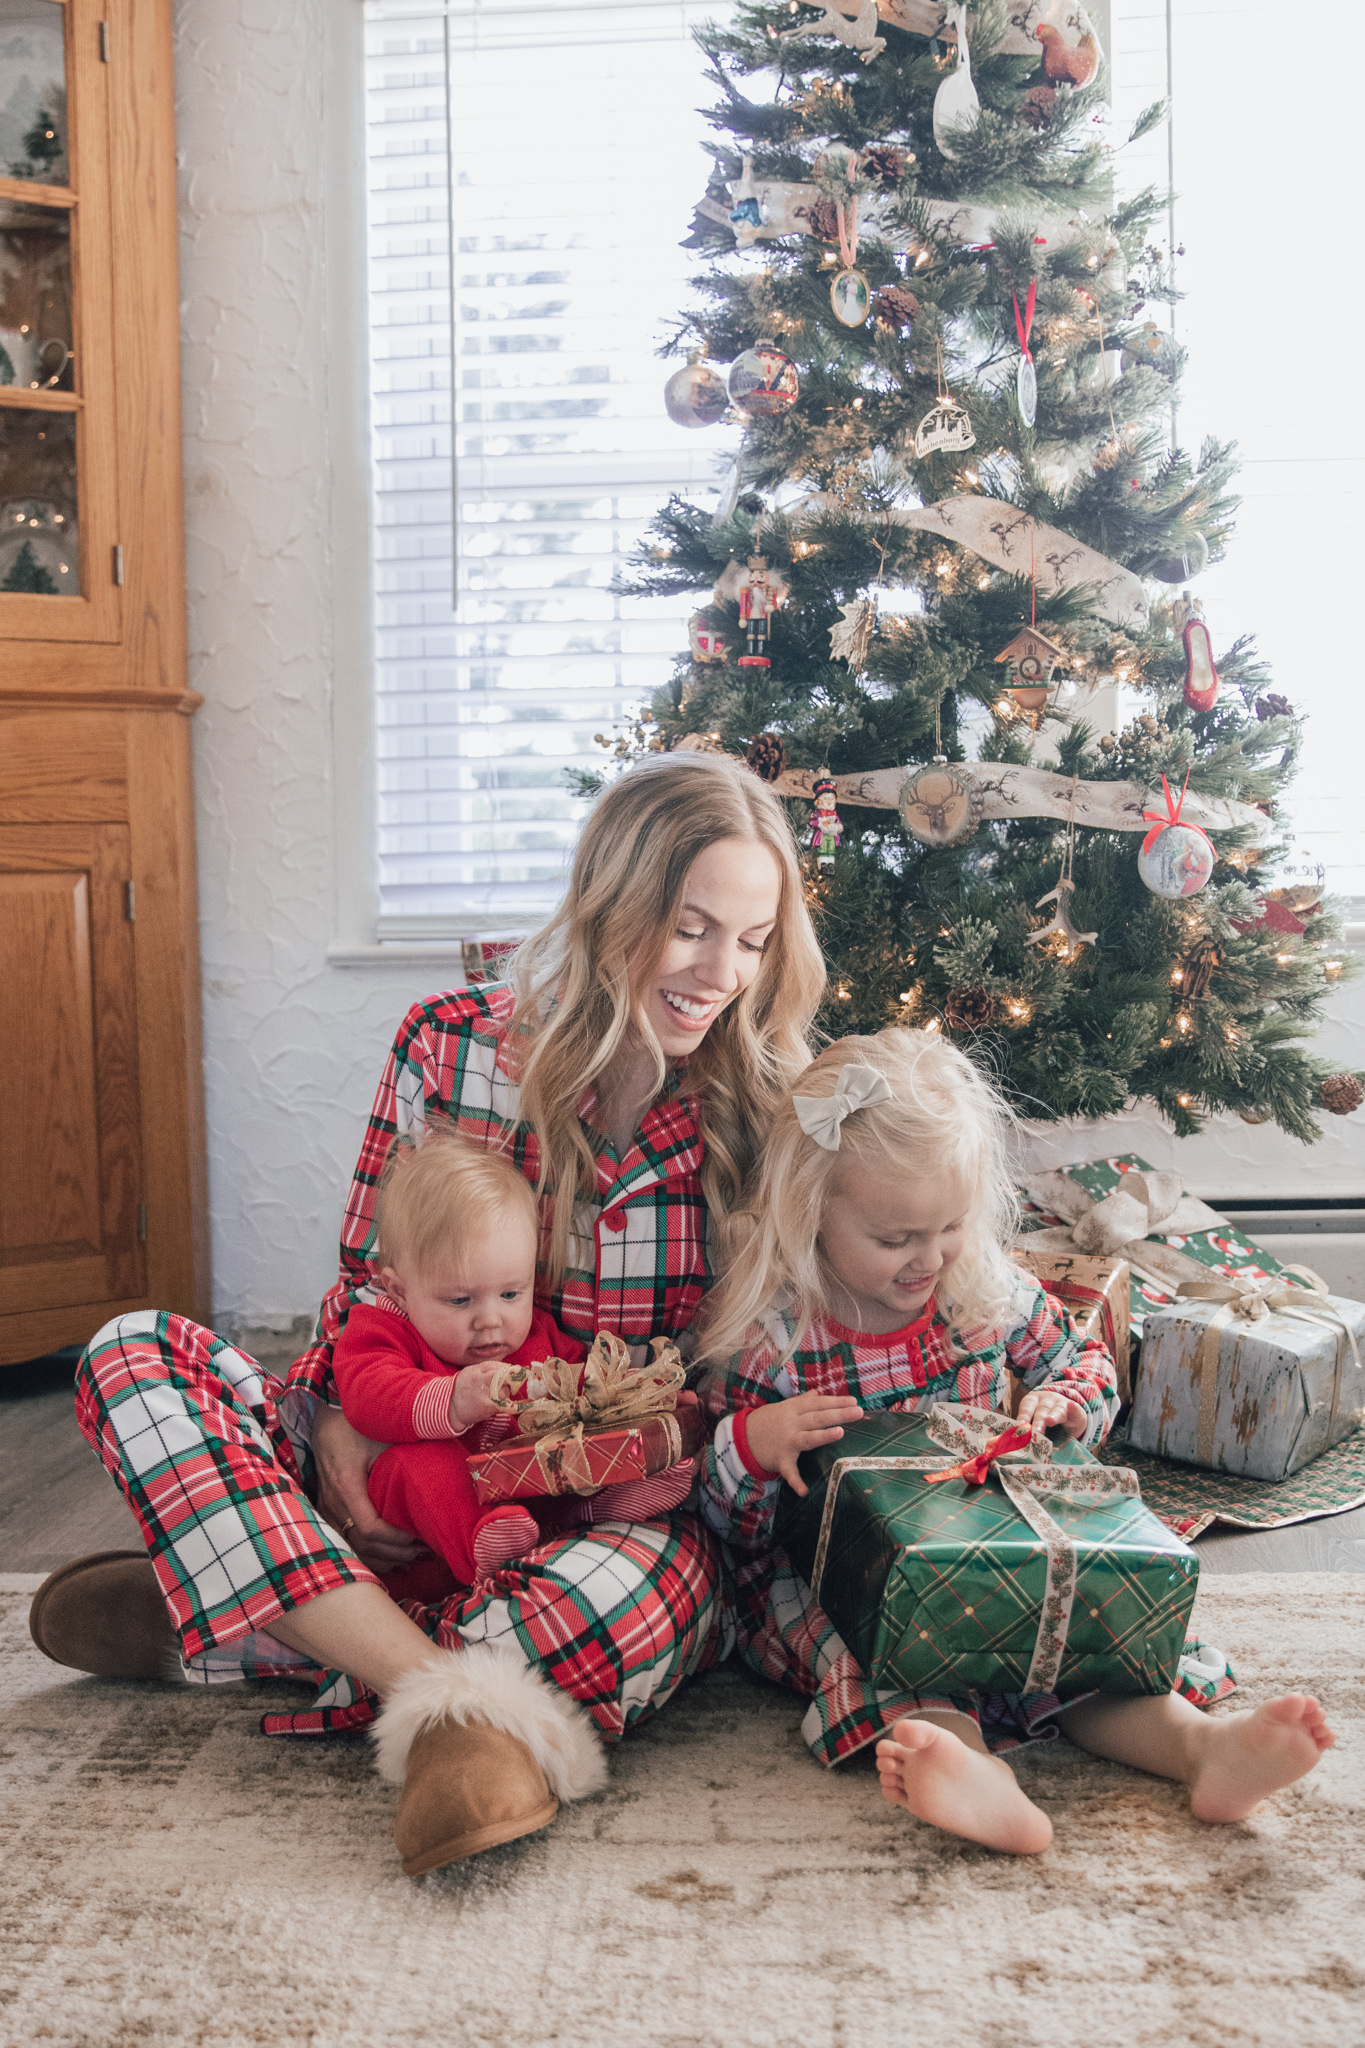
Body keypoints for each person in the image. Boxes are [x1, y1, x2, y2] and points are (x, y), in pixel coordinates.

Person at [31, 753, 827, 1877]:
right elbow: (365, 1291)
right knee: (134, 1352)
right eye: (691, 926)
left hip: (586, 1527)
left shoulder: (764, 1115)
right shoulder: (447, 1043)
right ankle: (445, 1703)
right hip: (397, 1450)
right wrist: (351, 1432)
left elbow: (743, 1394)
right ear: (614, 901)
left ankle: (264, 1626)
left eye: (752, 940)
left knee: (654, 1593)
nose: (721, 972)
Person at [697, 1028, 1334, 1854]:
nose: (927, 1258)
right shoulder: (773, 1341)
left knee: (1087, 1639)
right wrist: (750, 1444)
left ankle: (1200, 1749)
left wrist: (1069, 1404)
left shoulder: (983, 1292)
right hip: (846, 1578)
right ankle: (967, 1771)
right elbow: (731, 1528)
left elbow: (1087, 1363)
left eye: (949, 1226)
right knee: (899, 1670)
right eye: (894, 1239)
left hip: (1000, 1537)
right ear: (811, 1212)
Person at [331, 1126, 695, 1584]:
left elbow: (586, 1384)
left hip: (528, 1507)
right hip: (429, 1543)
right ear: (400, 1289)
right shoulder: (382, 1329)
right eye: (460, 1301)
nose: (491, 1320)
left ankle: (598, 1505)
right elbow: (367, 1396)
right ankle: (481, 1546)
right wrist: (453, 1398)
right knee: (418, 1465)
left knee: (569, 1447)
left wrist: (645, 1398)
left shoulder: (536, 1338)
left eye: (510, 1293)